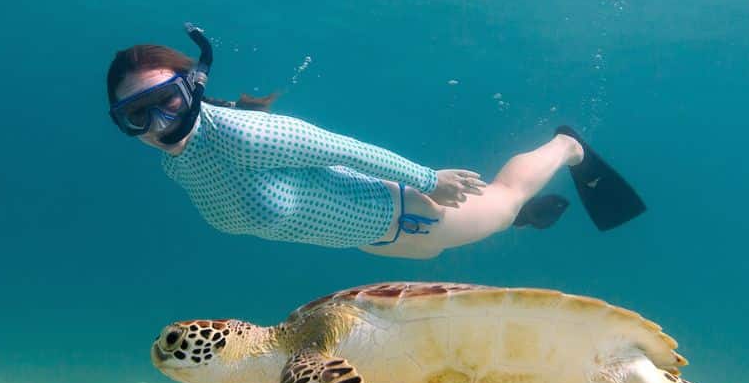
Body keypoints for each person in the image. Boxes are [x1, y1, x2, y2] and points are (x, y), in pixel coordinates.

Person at [106, 25, 645, 260]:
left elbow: (342, 149)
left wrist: (430, 179)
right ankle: (519, 218)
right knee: (472, 234)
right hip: (374, 238)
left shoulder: (246, 135)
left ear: (194, 88)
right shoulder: (176, 166)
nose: (156, 123)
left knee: (504, 200)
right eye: (136, 116)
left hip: (411, 213)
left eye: (168, 101)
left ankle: (565, 147)